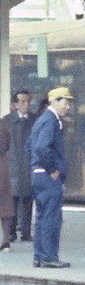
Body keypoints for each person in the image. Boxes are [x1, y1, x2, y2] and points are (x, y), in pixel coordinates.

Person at [28, 86, 72, 269]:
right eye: (65, 102)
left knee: (41, 216)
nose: (68, 106)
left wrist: (35, 165)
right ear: (54, 101)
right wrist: (52, 169)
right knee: (51, 217)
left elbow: (30, 145)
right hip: (48, 176)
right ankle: (49, 256)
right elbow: (42, 147)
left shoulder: (41, 119)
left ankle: (39, 256)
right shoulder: (51, 120)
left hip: (38, 174)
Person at [0, 90, 21, 251]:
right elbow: (5, 145)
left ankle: (6, 240)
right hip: (2, 166)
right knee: (5, 203)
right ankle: (5, 240)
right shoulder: (3, 123)